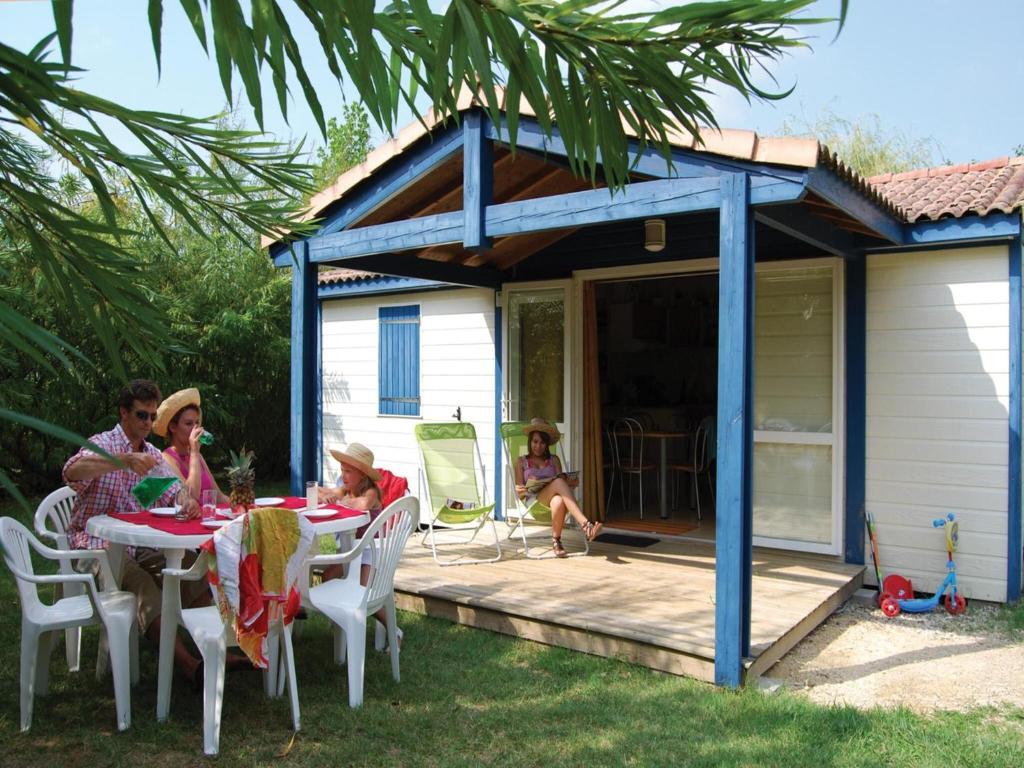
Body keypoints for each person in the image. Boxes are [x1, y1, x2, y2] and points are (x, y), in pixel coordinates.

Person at [63, 379, 213, 689]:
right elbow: (71, 472)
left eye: (152, 416)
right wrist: (122, 461)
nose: (147, 423)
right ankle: (189, 666)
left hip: (138, 543)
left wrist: (185, 501)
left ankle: (213, 649)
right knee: (145, 586)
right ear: (124, 413)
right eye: (142, 415)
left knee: (193, 569)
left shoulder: (152, 456)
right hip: (95, 545)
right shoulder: (104, 443)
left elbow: (173, 492)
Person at [317, 443, 400, 649]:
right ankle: (344, 622)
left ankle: (395, 631)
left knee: (364, 594)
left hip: (371, 550)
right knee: (327, 577)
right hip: (350, 549)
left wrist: (340, 500)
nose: (343, 476)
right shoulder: (346, 489)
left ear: (362, 475)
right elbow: (320, 491)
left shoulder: (371, 492)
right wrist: (328, 495)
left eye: (348, 471)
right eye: (342, 470)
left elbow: (363, 505)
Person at [514, 417, 602, 557]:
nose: (538, 446)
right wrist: (521, 489)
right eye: (535, 442)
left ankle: (556, 541)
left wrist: (571, 483)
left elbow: (561, 484)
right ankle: (586, 525)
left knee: (559, 499)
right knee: (559, 483)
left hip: (552, 497)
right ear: (530, 441)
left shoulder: (554, 460)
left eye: (542, 442)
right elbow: (519, 492)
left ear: (547, 444)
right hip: (534, 500)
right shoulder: (521, 462)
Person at [154, 387, 229, 505]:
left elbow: (219, 497)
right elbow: (189, 496)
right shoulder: (166, 458)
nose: (196, 429)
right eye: (189, 424)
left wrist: (242, 504)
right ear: (173, 427)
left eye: (197, 423)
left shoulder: (197, 456)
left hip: (207, 518)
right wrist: (194, 452)